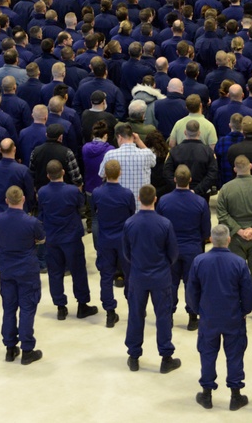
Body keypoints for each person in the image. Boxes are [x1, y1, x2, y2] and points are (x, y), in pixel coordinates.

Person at [187, 224, 252, 410]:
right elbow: (248, 294)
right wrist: (243, 312)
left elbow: (191, 292)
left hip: (209, 317)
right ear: (229, 240)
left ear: (210, 239)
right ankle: (235, 396)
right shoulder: (239, 263)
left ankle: (207, 395)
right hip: (233, 317)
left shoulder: (199, 261)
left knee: (207, 354)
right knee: (234, 355)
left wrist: (199, 310)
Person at [123, 184, 181, 373]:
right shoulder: (165, 224)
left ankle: (133, 356)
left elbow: (126, 253)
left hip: (138, 276)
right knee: (163, 316)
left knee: (135, 315)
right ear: (155, 199)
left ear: (139, 199)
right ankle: (166, 357)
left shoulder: (130, 223)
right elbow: (173, 254)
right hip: (161, 277)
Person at [216, 156, 252, 321]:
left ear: (235, 169)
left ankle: (237, 308)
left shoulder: (226, 189)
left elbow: (222, 214)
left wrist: (238, 230)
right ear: (250, 166)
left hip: (234, 238)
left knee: (235, 274)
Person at [38, 160, 98, 320]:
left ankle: (60, 307)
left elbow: (41, 211)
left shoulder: (43, 192)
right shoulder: (72, 191)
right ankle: (82, 305)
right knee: (78, 271)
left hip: (52, 237)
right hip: (71, 237)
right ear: (63, 172)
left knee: (55, 272)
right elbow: (81, 206)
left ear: (48, 175)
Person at [0, 185, 45, 364]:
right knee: (27, 308)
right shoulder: (31, 222)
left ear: (6, 201)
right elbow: (42, 238)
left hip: (7, 269)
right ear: (23, 199)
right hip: (27, 271)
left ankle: (9, 347)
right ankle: (27, 349)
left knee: (9, 308)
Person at [156, 165, 210, 331]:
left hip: (170, 249)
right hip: (192, 248)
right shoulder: (200, 202)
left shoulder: (164, 201)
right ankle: (193, 317)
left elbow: (159, 226)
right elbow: (206, 231)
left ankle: (168, 316)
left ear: (174, 180)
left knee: (170, 284)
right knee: (192, 283)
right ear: (190, 180)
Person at [91, 161, 137, 328]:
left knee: (106, 276)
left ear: (105, 174)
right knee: (130, 274)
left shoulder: (97, 193)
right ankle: (134, 307)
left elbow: (93, 212)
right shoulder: (127, 194)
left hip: (105, 239)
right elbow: (132, 214)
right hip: (123, 240)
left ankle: (110, 312)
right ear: (120, 173)